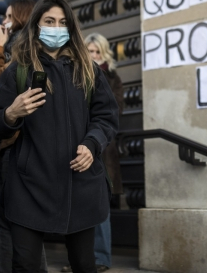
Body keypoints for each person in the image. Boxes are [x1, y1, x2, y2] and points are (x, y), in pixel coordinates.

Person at [0, 0, 119, 272]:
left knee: (84, 264)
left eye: (62, 22)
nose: (56, 27)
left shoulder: (89, 70)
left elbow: (106, 117)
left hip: (80, 184)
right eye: (49, 21)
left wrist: (92, 143)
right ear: (36, 25)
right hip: (28, 187)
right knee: (25, 264)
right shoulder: (15, 72)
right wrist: (11, 113)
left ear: (71, 28)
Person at [0, 0, 49, 273]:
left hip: (16, 145)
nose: (4, 21)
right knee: (26, 229)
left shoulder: (23, 49)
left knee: (4, 224)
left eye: (9, 16)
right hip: (23, 145)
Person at [81, 33, 125, 273]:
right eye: (89, 51)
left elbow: (114, 110)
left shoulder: (112, 78)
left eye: (97, 52)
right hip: (77, 147)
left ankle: (100, 258)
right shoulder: (74, 74)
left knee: (100, 206)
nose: (93, 56)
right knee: (79, 207)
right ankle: (81, 258)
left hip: (102, 150)